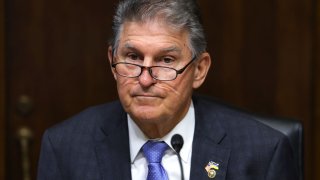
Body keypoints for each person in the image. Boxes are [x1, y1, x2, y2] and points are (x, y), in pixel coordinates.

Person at [37, 0, 298, 179]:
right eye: (133, 57)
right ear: (112, 60)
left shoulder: (262, 153)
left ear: (199, 69)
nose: (146, 79)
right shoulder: (65, 147)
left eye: (166, 60)